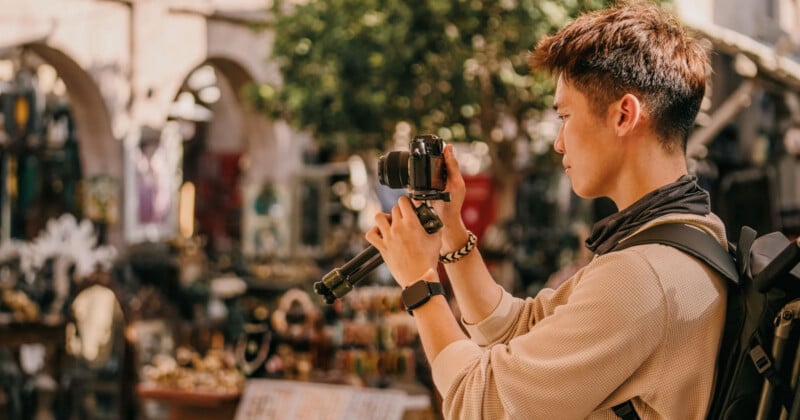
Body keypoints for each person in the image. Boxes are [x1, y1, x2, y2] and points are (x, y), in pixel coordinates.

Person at [364, 2, 727, 419]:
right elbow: (525, 327)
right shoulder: (690, 234)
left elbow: (482, 403)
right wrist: (453, 234)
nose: (559, 143)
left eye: (565, 116)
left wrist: (420, 284)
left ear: (624, 115)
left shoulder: (642, 276)